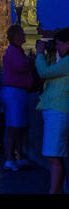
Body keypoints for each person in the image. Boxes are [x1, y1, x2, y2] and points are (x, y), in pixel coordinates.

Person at [35, 28, 69, 194]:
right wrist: (48, 55)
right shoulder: (63, 60)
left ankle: (54, 191)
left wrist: (40, 54)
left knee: (54, 156)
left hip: (58, 110)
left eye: (58, 44)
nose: (57, 48)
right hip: (54, 109)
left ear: (67, 43)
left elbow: (44, 72)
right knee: (53, 155)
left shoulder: (68, 61)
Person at [1, 24, 35, 171]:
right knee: (13, 127)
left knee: (19, 126)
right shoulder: (13, 51)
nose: (24, 35)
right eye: (22, 33)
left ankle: (19, 157)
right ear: (15, 36)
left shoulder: (17, 51)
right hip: (14, 93)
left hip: (19, 92)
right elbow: (21, 67)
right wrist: (33, 61)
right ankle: (9, 159)